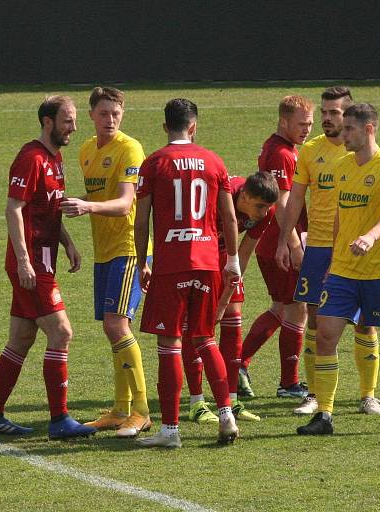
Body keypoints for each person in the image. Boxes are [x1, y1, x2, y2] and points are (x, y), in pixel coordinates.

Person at [297, 103, 380, 436]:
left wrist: (370, 236)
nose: (342, 134)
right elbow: (340, 216)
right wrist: (335, 258)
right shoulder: (341, 167)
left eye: (349, 129)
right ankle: (324, 415)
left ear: (369, 129)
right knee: (325, 335)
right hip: (343, 271)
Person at [0, 96, 97, 439]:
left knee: (21, 338)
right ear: (48, 122)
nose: (74, 128)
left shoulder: (55, 159)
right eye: (68, 121)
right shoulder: (31, 158)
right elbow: (14, 209)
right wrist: (23, 262)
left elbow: (48, 209)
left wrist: (68, 243)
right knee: (61, 333)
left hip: (43, 260)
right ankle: (60, 419)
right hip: (32, 265)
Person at [134, 98, 241, 448]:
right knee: (206, 338)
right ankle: (226, 414)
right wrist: (233, 259)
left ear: (165, 126)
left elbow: (142, 218)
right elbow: (229, 216)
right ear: (193, 126)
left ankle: (170, 431)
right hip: (208, 261)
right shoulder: (213, 161)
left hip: (171, 263)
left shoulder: (154, 163)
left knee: (170, 344)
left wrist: (142, 261)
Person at [275, 86, 380, 416]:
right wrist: (285, 239)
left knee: (365, 323)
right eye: (323, 112)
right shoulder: (310, 152)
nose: (326, 118)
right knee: (314, 321)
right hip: (319, 248)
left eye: (334, 113)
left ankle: (368, 394)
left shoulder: (363, 156)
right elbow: (295, 198)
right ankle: (314, 394)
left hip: (355, 251)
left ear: (350, 115)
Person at [59, 87, 151, 437]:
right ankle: (120, 409)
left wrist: (87, 207)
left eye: (115, 113)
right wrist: (72, 202)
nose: (110, 119)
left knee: (117, 325)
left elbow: (126, 203)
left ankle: (141, 410)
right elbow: (99, 197)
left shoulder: (130, 148)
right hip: (105, 251)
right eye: (103, 114)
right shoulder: (85, 150)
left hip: (129, 248)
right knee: (110, 327)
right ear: (92, 115)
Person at [181, 172, 278, 424]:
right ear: (243, 196)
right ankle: (197, 403)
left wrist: (227, 294)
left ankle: (232, 399)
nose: (264, 212)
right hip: (199, 254)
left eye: (267, 207)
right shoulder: (217, 198)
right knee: (198, 329)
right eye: (259, 206)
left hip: (228, 257)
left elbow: (244, 253)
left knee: (233, 321)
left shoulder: (265, 212)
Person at [239, 95, 313, 400]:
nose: (307, 129)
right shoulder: (282, 154)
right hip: (278, 244)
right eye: (301, 123)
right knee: (297, 310)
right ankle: (288, 382)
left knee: (283, 308)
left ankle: (240, 363)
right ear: (284, 121)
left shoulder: (279, 148)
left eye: (309, 123)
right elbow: (282, 205)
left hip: (270, 242)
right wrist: (294, 245)